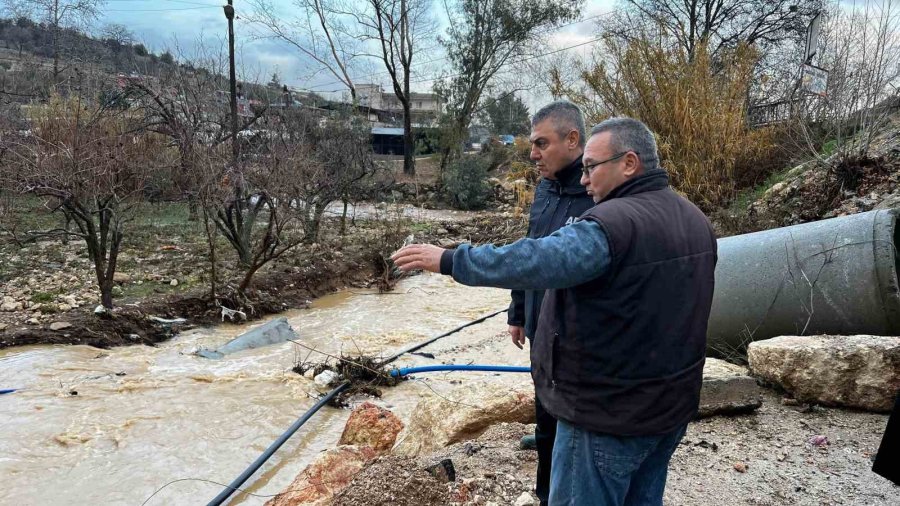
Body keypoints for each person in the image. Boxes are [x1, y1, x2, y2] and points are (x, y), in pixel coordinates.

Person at [392, 117, 717, 506]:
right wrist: (519, 312)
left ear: (629, 163)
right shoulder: (696, 220)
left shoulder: (609, 227)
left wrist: (450, 260)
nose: (584, 180)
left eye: (591, 167)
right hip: (669, 410)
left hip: (607, 417)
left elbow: (534, 259)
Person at [508, 101, 595, 506]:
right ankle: (546, 493)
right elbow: (528, 254)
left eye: (542, 143)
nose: (533, 154)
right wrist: (518, 312)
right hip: (541, 327)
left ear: (572, 140)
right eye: (532, 144)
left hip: (580, 335)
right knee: (545, 412)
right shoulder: (544, 190)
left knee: (576, 424)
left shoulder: (599, 194)